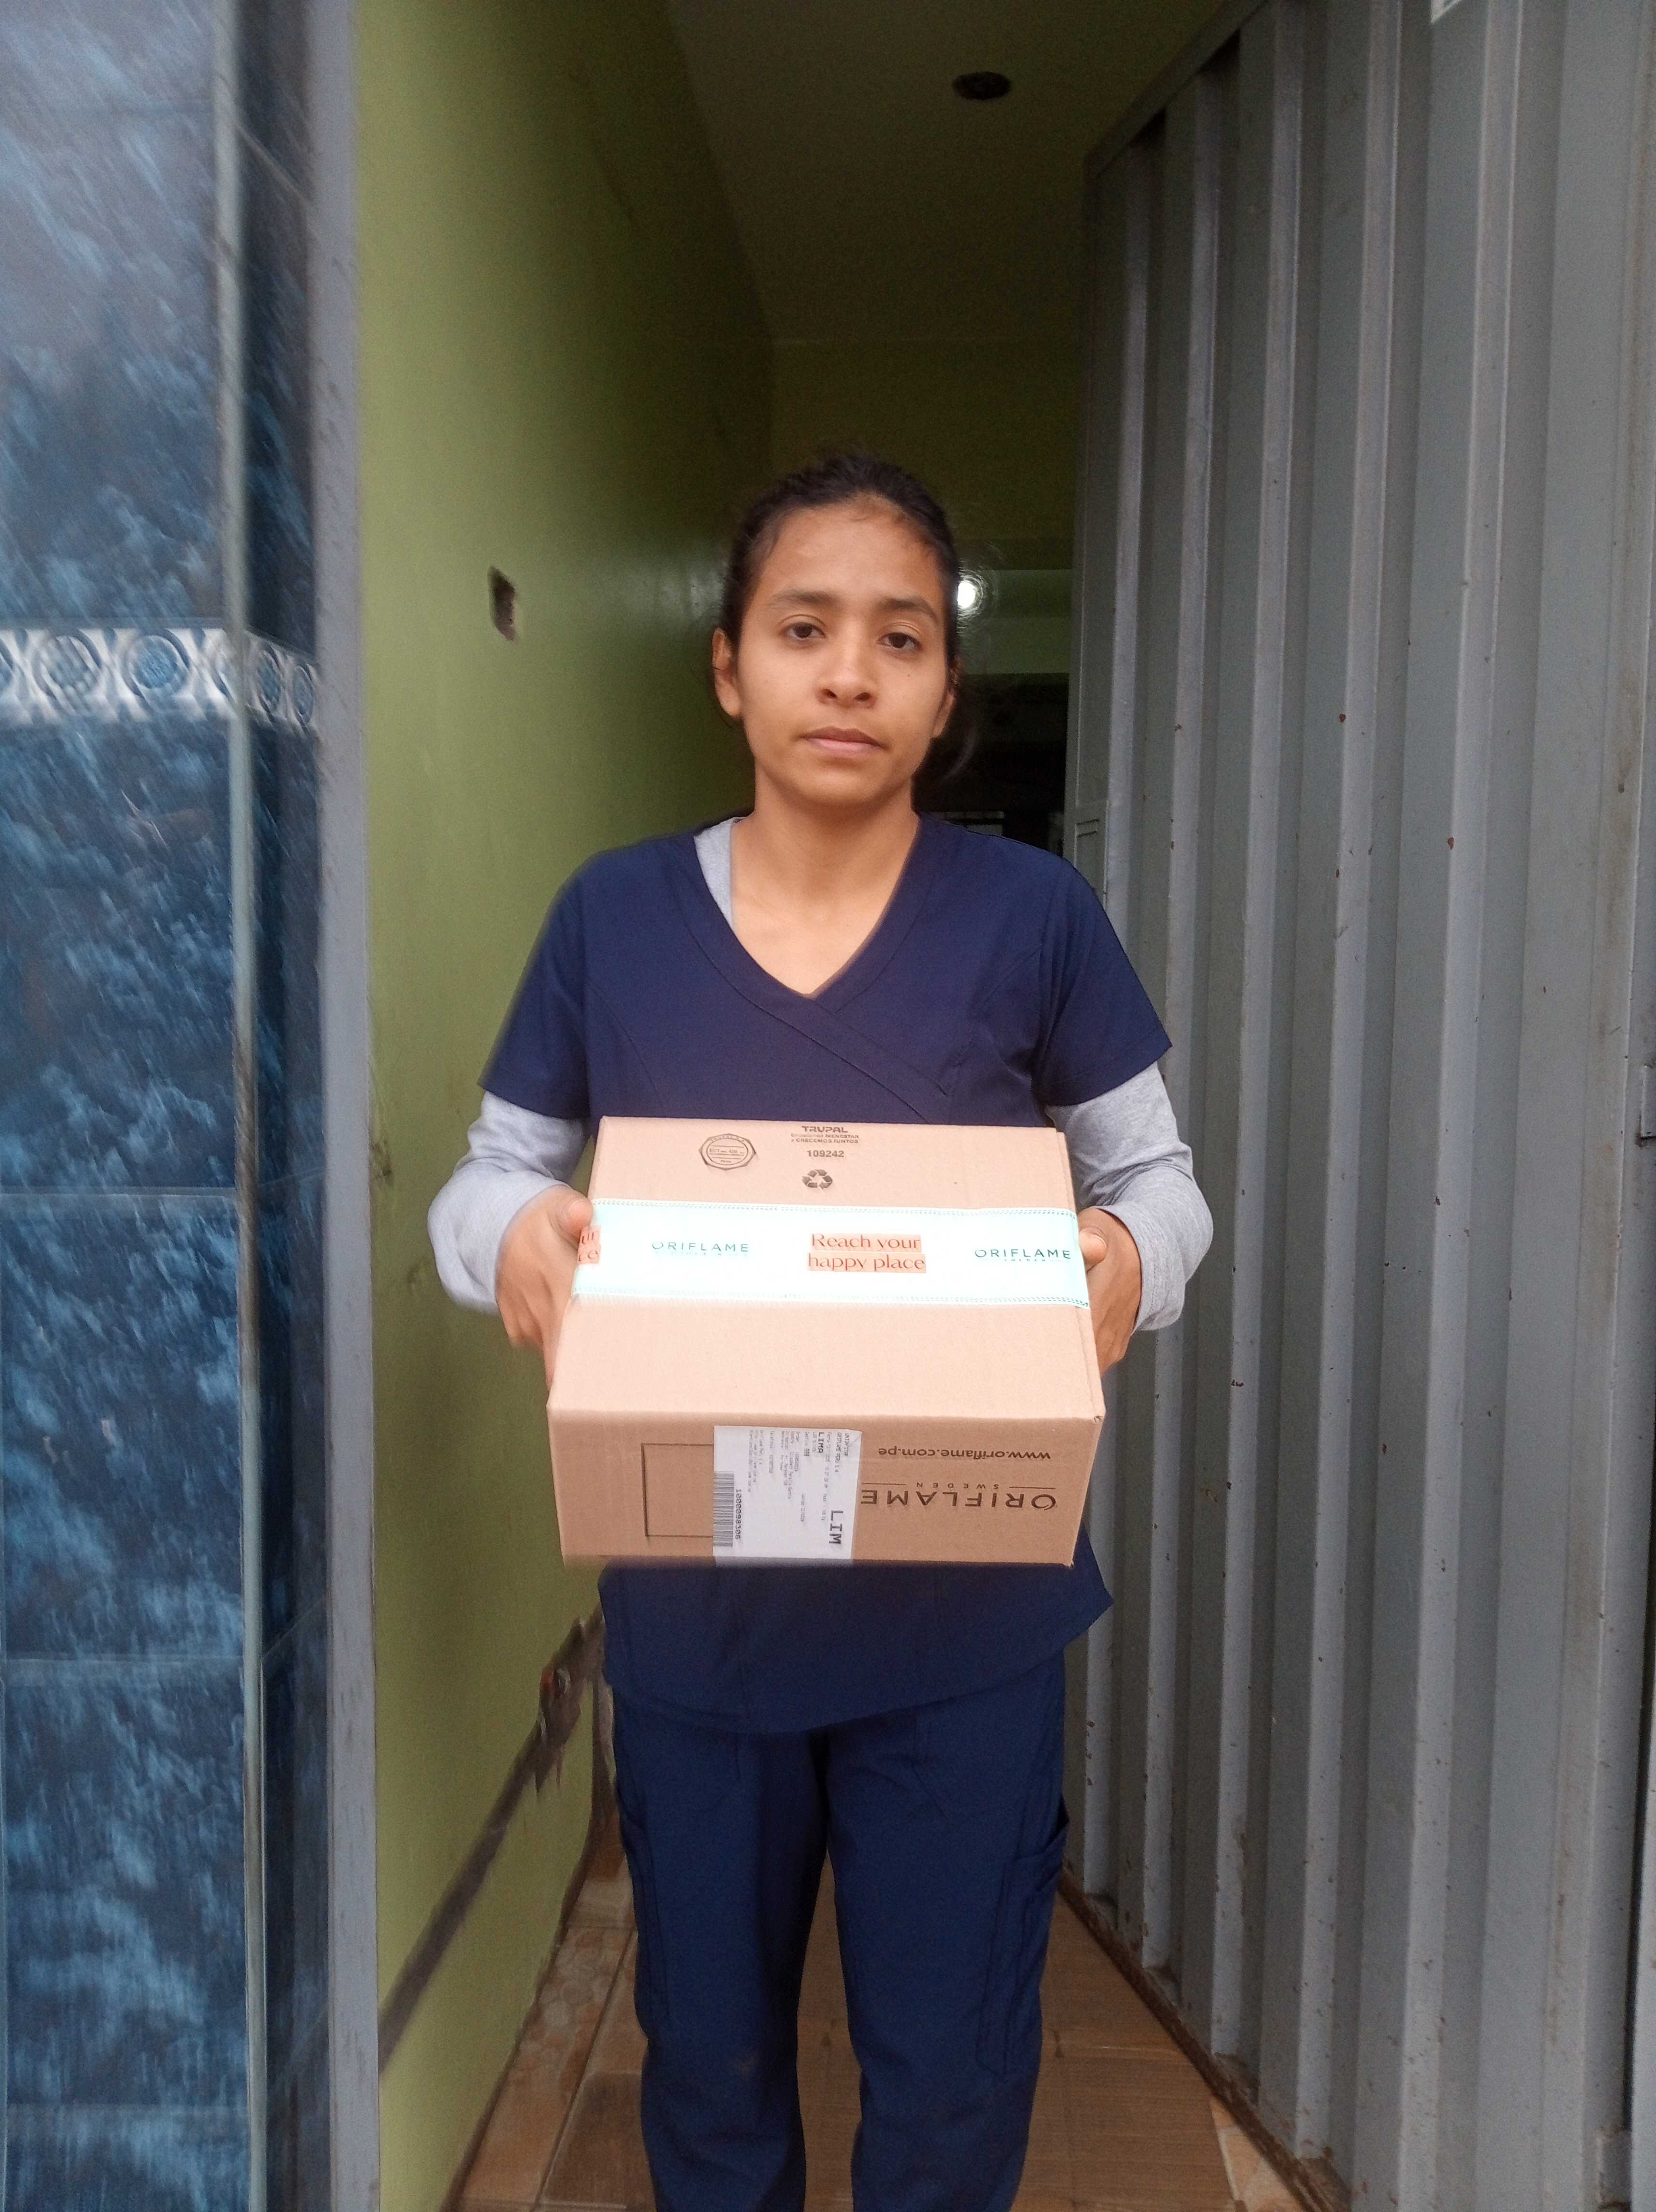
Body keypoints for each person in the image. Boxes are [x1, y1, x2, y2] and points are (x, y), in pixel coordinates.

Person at [429, 453, 1212, 2212]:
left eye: (901, 637)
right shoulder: (614, 920)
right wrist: (514, 1241)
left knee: (952, 2086)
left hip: (965, 1623)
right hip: (701, 1618)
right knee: (708, 2072)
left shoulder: (1033, 920)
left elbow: (1162, 1183)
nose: (851, 673)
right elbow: (488, 1178)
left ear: (946, 688)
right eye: (804, 630)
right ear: (729, 667)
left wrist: (1123, 1257)